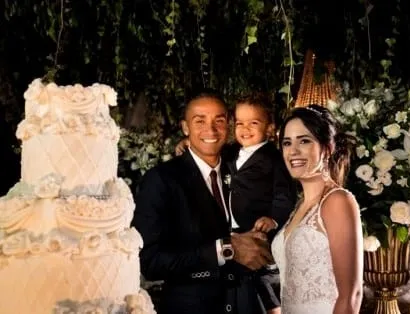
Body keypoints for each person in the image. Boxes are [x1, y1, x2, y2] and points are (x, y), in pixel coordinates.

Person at [132, 91, 274, 314]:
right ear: (185, 128)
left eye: (219, 120)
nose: (211, 129)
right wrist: (223, 249)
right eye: (200, 121)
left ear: (228, 126)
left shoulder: (243, 168)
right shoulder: (161, 179)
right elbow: (149, 262)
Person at [175, 93, 297, 314]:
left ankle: (275, 309)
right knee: (240, 278)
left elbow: (284, 195)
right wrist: (188, 142)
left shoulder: (274, 159)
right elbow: (209, 149)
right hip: (234, 229)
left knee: (261, 272)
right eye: (240, 123)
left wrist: (274, 218)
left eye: (253, 123)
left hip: (258, 226)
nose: (245, 128)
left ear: (269, 128)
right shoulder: (232, 152)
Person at [271, 104, 363, 314]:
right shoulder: (299, 206)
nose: (293, 151)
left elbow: (352, 295)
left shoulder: (337, 201)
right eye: (287, 143)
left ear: (327, 148)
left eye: (304, 141)